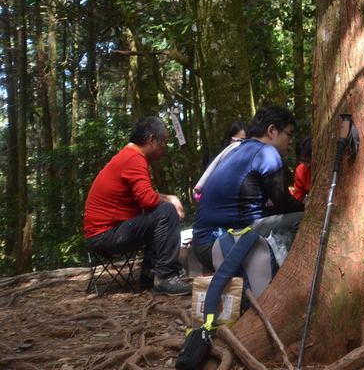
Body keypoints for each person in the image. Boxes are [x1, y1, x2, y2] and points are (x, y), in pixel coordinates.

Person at [83, 116, 189, 295]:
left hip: (103, 234)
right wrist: (171, 200)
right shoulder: (134, 158)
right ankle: (167, 277)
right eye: (164, 142)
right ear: (152, 140)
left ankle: (150, 276)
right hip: (105, 236)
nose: (165, 148)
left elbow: (144, 198)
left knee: (159, 213)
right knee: (166, 212)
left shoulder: (128, 156)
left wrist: (168, 197)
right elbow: (149, 201)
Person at [191, 106, 305, 271]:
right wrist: (311, 209)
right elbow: (284, 203)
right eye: (288, 134)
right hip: (225, 243)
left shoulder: (235, 149)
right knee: (304, 219)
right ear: (272, 130)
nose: (290, 140)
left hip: (203, 244)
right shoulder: (267, 152)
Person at [193, 121, 248, 202]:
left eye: (245, 141)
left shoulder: (254, 162)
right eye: (238, 140)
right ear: (229, 140)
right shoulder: (216, 163)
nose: (240, 144)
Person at [290, 136, 312, 202]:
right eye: (303, 161)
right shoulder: (300, 170)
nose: (307, 165)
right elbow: (298, 196)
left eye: (309, 161)